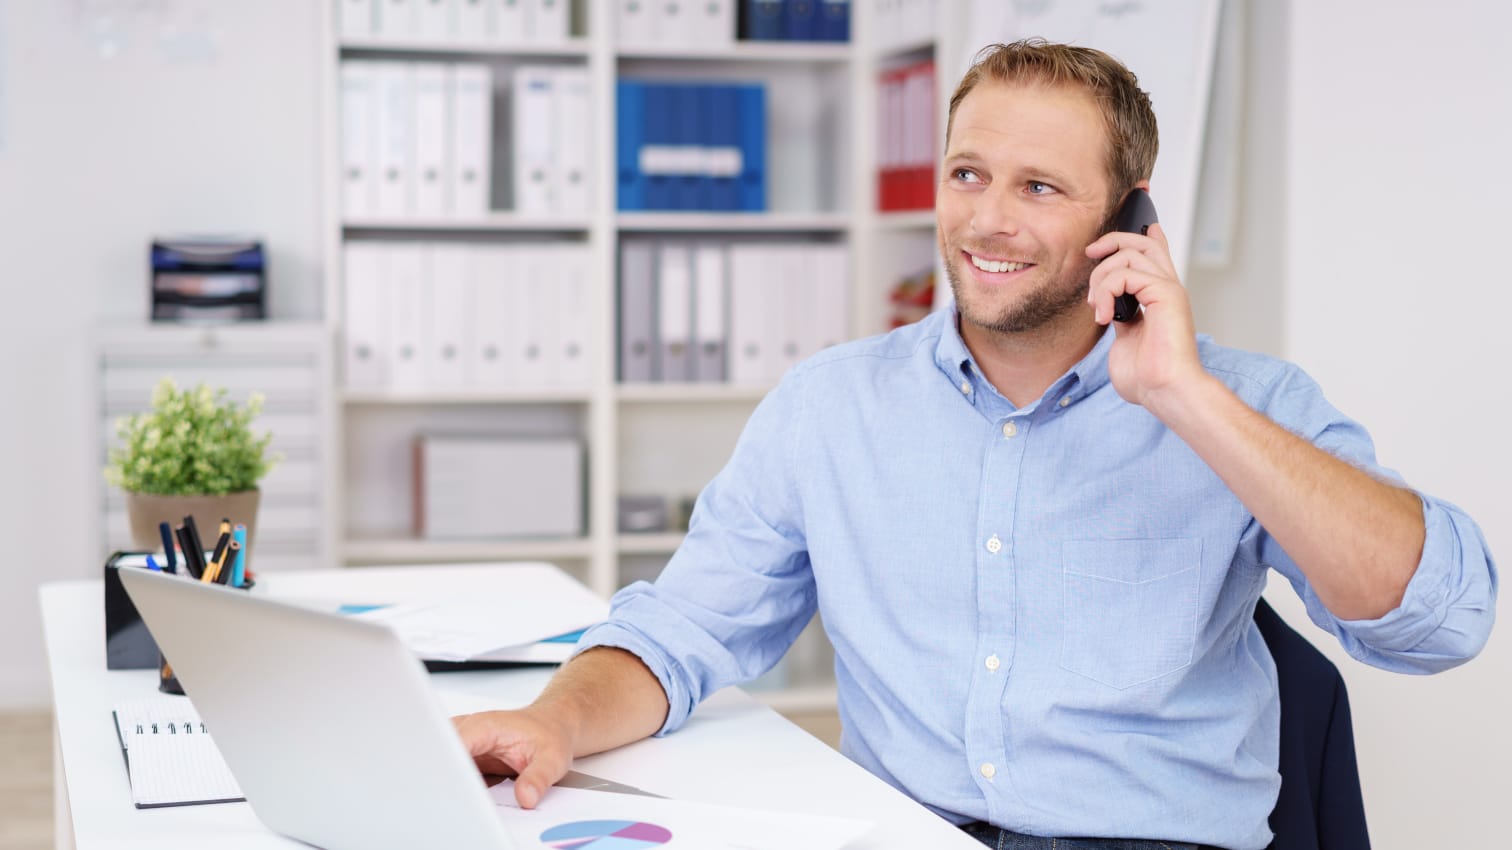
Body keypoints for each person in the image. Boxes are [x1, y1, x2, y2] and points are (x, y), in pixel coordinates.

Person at [453, 40, 1496, 850]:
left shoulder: (1247, 401)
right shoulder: (830, 407)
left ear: (1129, 215)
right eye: (967, 174)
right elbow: (682, 627)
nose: (987, 220)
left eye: (1039, 187)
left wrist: (1185, 397)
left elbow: (1441, 620)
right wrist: (556, 722)